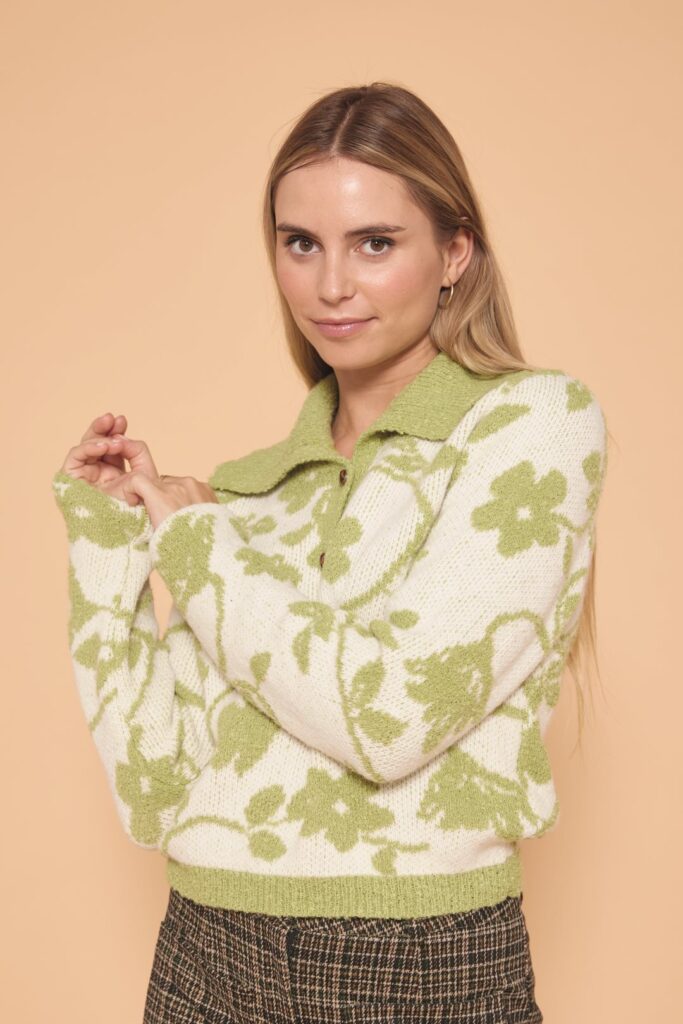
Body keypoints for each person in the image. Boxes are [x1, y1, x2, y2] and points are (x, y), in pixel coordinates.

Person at [52, 82, 608, 1024]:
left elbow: (387, 721)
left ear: (455, 253)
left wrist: (196, 545)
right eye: (300, 243)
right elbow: (155, 792)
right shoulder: (246, 493)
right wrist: (110, 543)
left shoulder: (530, 425)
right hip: (201, 950)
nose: (330, 285)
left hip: (415, 957)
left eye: (374, 243)